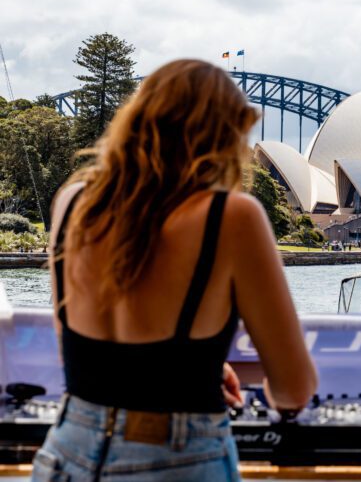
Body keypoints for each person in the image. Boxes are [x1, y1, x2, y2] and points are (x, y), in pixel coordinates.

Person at [33, 60, 318, 481]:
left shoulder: (73, 202)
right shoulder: (232, 215)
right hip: (177, 458)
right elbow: (294, 389)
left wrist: (193, 365)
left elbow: (81, 354)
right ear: (226, 135)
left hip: (67, 450)